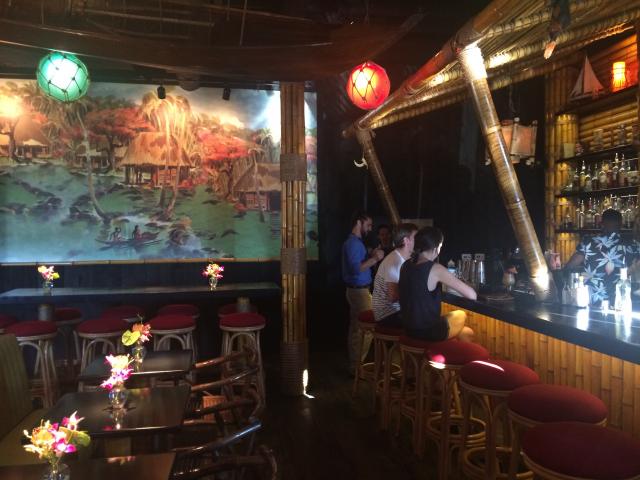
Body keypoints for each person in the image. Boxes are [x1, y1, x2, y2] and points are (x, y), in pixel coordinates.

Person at [399, 226, 476, 342]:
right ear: (436, 248)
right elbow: (472, 295)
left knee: (466, 332)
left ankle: (441, 352)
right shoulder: (435, 268)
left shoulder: (405, 265)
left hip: (408, 328)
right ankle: (441, 352)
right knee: (461, 314)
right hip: (427, 331)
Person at [564, 209, 640, 306]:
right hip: (618, 302)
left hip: (591, 301)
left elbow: (569, 267)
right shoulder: (633, 246)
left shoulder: (588, 242)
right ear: (621, 224)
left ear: (602, 224)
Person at [342, 211, 384, 374]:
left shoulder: (355, 242)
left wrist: (370, 255)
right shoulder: (353, 243)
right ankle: (357, 367)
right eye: (368, 225)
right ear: (359, 223)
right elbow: (356, 269)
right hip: (359, 292)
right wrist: (376, 258)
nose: (370, 228)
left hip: (356, 291)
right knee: (367, 330)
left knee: (356, 329)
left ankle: (355, 366)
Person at [372, 223, 418, 328]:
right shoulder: (395, 260)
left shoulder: (402, 259)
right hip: (387, 314)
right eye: (416, 237)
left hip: (396, 310)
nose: (419, 241)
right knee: (425, 321)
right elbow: (393, 296)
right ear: (406, 241)